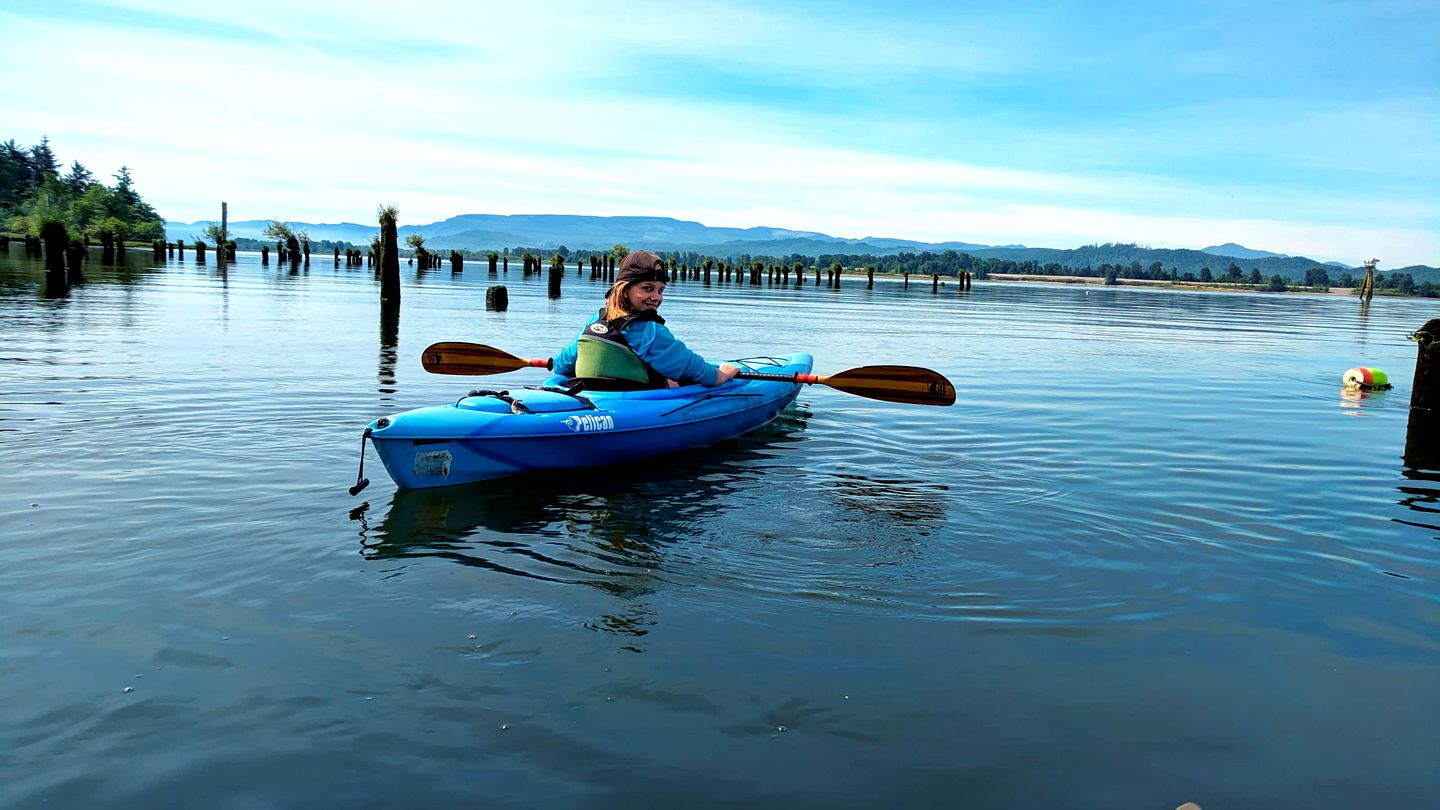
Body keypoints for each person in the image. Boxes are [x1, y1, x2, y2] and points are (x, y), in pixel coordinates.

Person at [553, 250, 740, 390]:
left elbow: (562, 364)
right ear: (625, 290)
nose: (657, 297)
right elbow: (688, 365)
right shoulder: (648, 330)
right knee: (676, 380)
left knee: (667, 376)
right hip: (633, 403)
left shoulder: (596, 321)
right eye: (648, 288)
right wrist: (718, 375)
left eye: (660, 290)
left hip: (594, 397)